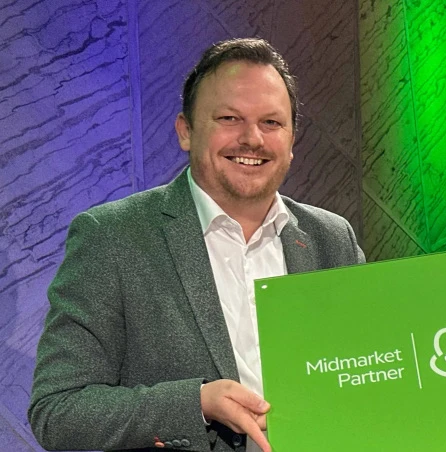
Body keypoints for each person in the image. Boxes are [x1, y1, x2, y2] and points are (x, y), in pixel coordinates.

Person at [29, 38, 364, 452]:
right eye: (229, 118)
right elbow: (58, 411)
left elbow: (368, 377)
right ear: (185, 131)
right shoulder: (112, 237)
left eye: (271, 123)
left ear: (292, 139)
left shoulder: (332, 238)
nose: (252, 138)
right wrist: (197, 403)